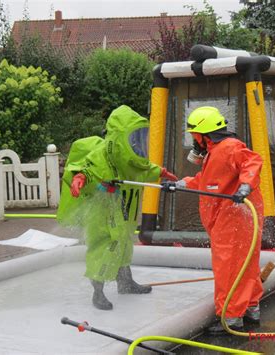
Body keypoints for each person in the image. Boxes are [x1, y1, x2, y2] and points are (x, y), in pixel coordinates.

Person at [57, 105, 177, 310]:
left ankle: (125, 282)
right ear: (119, 138)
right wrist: (79, 179)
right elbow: (84, 170)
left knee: (124, 244)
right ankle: (98, 291)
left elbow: (143, 168)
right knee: (103, 247)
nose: (138, 142)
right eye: (134, 137)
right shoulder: (101, 155)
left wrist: (161, 172)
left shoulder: (129, 158)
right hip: (102, 211)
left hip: (124, 210)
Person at [164, 106, 264, 334]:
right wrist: (179, 184)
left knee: (228, 266)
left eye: (193, 135)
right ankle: (250, 307)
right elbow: (208, 181)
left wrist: (246, 186)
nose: (193, 140)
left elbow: (252, 162)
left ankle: (230, 316)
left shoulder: (229, 148)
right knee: (244, 263)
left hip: (235, 216)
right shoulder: (216, 151)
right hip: (235, 216)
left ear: (203, 134)